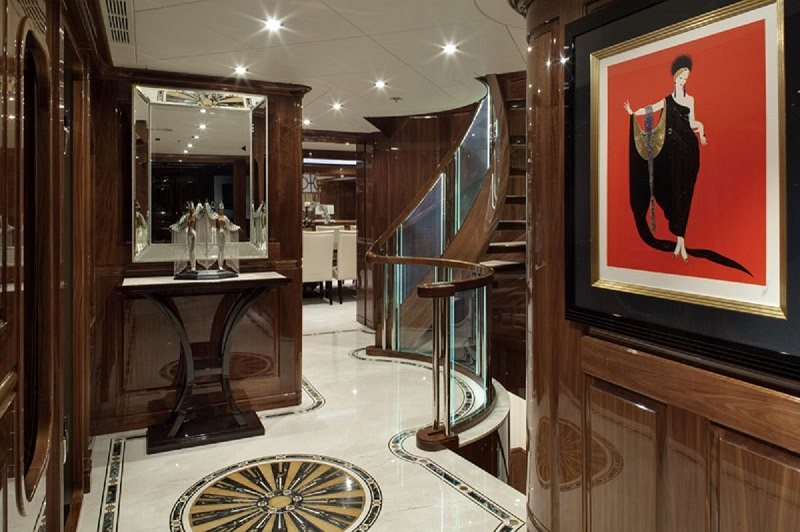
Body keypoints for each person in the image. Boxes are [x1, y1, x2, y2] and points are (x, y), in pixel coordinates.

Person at [624, 55, 706, 262]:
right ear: (675, 77)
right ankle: (679, 241)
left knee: (685, 194)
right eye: (681, 77)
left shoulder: (690, 100)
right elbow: (651, 109)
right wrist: (633, 113)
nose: (683, 81)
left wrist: (702, 131)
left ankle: (681, 240)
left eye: (686, 78)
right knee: (674, 192)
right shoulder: (667, 101)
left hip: (688, 151)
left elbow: (693, 122)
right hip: (671, 154)